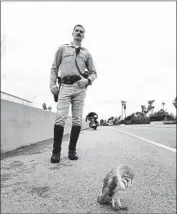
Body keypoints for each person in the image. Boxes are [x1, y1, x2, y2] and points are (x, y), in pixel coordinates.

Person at [50, 24, 97, 163]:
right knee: (60, 118)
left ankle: (72, 150)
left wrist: (87, 81)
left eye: (82, 32)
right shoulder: (63, 48)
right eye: (77, 30)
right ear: (72, 33)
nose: (79, 33)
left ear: (84, 35)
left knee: (77, 120)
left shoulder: (86, 53)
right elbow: (54, 67)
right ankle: (56, 152)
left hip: (80, 88)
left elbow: (94, 73)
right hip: (65, 86)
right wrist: (52, 84)